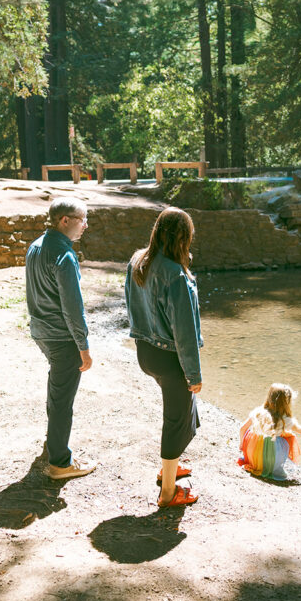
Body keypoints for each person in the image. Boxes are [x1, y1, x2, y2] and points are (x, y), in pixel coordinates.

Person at [125, 207, 202, 508]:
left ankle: (171, 465)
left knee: (181, 411)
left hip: (146, 353)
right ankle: (168, 492)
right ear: (183, 238)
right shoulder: (175, 275)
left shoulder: (137, 260)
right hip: (171, 359)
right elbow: (184, 332)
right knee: (176, 418)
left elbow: (131, 304)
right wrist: (194, 375)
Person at [26, 197, 95, 479]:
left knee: (57, 390)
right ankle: (60, 463)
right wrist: (84, 346)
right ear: (64, 220)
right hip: (61, 338)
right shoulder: (64, 256)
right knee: (62, 399)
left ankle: (53, 444)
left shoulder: (36, 245)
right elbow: (73, 309)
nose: (85, 226)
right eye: (81, 220)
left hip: (41, 332)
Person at [238, 383, 301, 480]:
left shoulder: (258, 411)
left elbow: (242, 428)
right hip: (268, 460)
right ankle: (271, 466)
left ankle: (255, 461)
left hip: (252, 454)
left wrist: (242, 444)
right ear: (286, 402)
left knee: (251, 433)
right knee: (290, 436)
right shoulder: (284, 419)